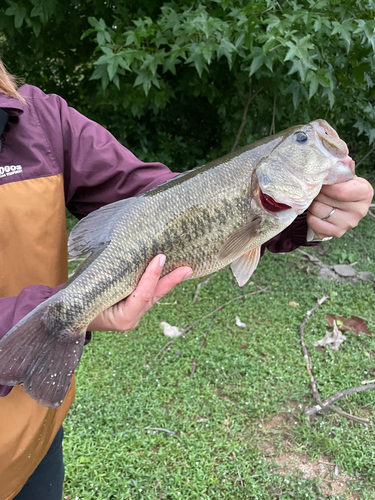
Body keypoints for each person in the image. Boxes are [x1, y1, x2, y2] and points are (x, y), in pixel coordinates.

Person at [0, 59, 372, 500]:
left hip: (32, 439)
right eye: (302, 141)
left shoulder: (40, 119)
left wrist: (305, 216)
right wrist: (67, 312)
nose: (313, 138)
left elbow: (158, 197)